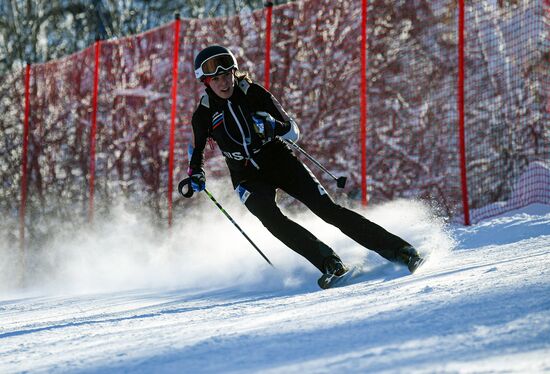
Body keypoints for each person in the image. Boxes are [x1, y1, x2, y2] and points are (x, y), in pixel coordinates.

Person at [186, 45, 423, 288]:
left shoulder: (254, 93)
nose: (224, 83)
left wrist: (273, 127)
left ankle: (400, 250)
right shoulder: (203, 114)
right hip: (245, 175)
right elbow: (197, 149)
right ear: (206, 82)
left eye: (227, 75)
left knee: (326, 209)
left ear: (234, 73)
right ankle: (329, 263)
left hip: (278, 160)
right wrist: (196, 173)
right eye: (216, 79)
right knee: (272, 221)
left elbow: (292, 130)